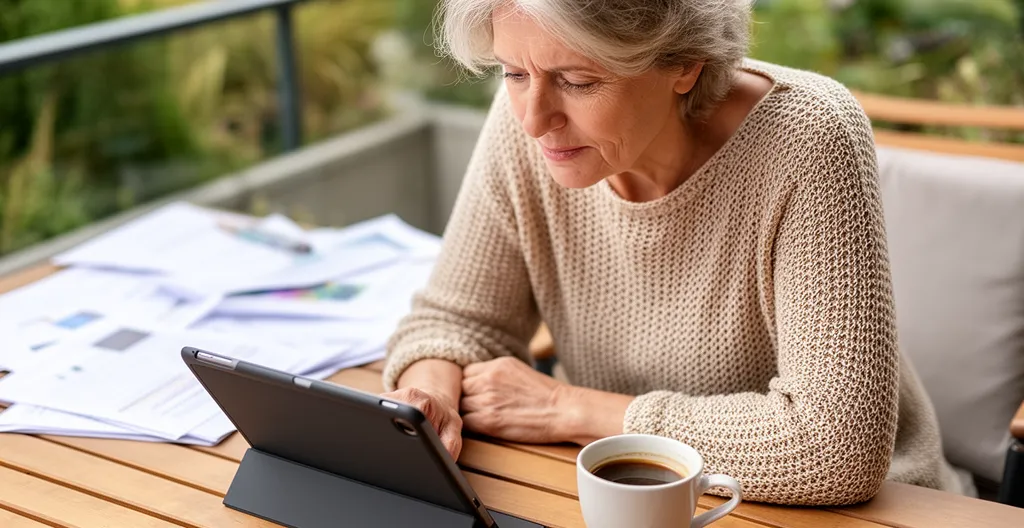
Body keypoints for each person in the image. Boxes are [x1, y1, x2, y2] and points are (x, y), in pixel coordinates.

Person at [380, 0, 966, 505]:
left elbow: (835, 446)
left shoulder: (810, 137)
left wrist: (566, 408)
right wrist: (430, 397)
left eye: (578, 81)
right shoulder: (532, 129)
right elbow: (454, 321)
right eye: (512, 73)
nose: (535, 120)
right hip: (632, 492)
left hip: (865, 509)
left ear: (685, 62)